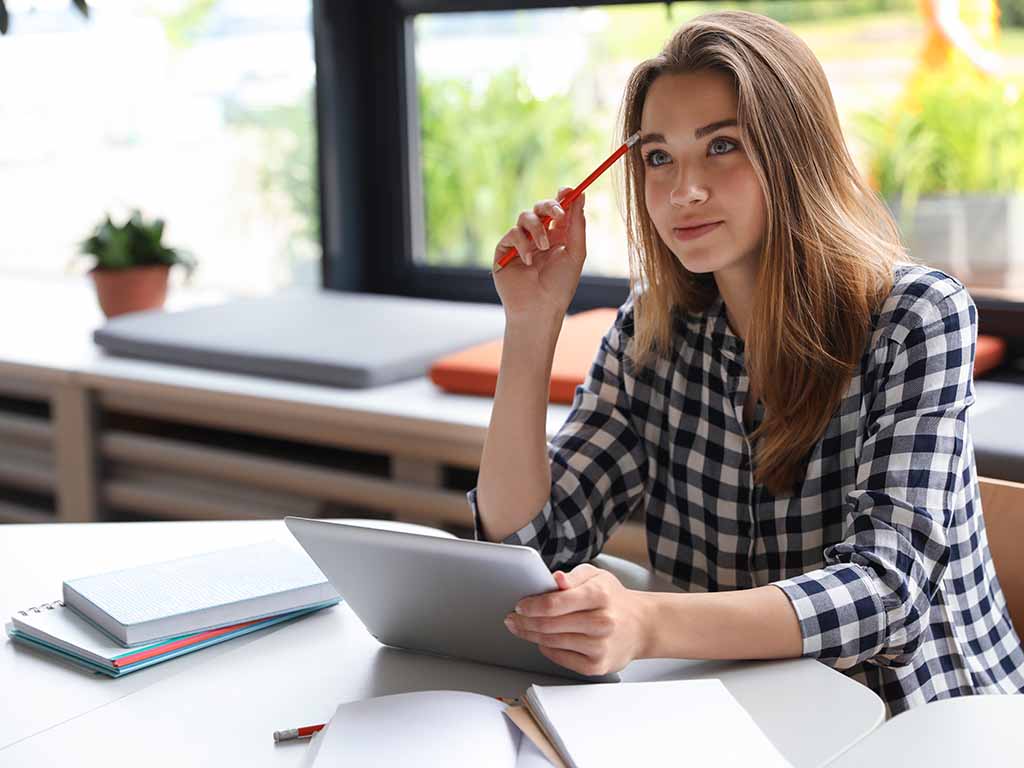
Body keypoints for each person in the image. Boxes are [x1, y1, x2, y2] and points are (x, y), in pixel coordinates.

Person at [471, 10, 1024, 715]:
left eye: (722, 146)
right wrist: (531, 322)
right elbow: (530, 546)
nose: (683, 192)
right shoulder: (655, 331)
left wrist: (647, 621)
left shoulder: (918, 316)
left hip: (921, 719)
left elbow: (888, 594)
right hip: (731, 713)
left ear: (794, 154)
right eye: (659, 157)